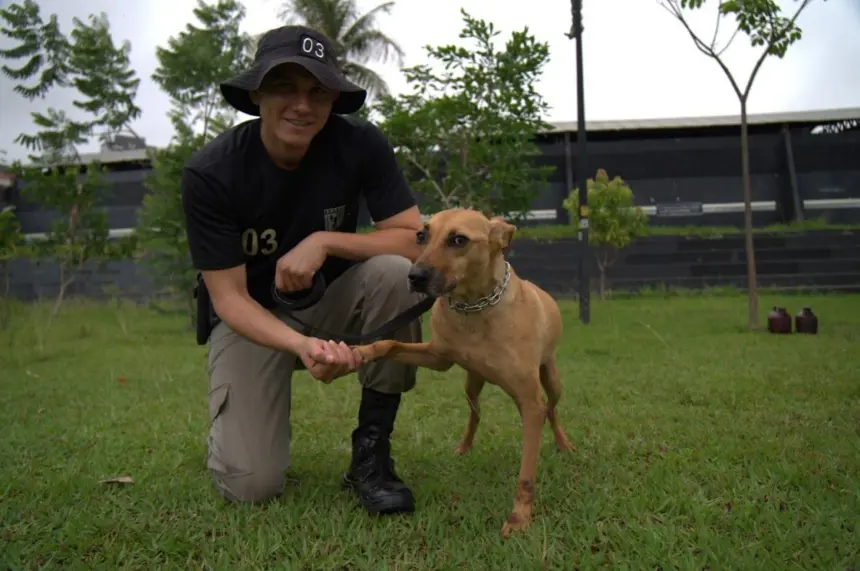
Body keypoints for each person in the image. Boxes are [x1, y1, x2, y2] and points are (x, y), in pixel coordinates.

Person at [180, 24, 425, 516]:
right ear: (257, 93)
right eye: (285, 87)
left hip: (333, 301)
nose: (302, 105)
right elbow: (228, 299)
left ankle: (371, 456)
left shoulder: (361, 145)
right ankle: (230, 439)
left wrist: (325, 240)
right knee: (251, 482)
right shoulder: (211, 173)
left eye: (318, 91)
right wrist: (301, 347)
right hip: (249, 319)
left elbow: (414, 240)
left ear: (334, 98)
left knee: (400, 274)